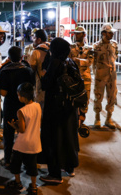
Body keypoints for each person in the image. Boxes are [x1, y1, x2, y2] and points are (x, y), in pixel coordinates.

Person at [39, 37, 79, 184]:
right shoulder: (70, 62)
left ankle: (54, 174)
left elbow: (46, 84)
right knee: (68, 137)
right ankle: (69, 167)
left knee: (53, 139)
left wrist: (43, 75)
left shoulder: (55, 63)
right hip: (69, 108)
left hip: (55, 108)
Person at [0, 46, 35, 169]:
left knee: (8, 133)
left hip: (10, 106)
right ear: (22, 57)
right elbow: (33, 88)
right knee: (26, 132)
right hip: (25, 106)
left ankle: (7, 160)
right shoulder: (28, 70)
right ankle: (27, 162)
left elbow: (3, 93)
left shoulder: (5, 70)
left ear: (9, 58)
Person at [6, 83, 41, 195]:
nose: (18, 97)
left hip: (22, 143)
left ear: (23, 96)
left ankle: (18, 183)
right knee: (32, 166)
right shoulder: (38, 106)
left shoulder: (21, 111)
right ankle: (34, 186)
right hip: (34, 143)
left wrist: (14, 126)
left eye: (18, 95)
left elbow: (22, 130)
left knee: (15, 163)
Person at [93, 23, 119, 129]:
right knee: (98, 97)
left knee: (112, 97)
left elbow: (115, 57)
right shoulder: (96, 46)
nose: (112, 34)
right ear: (103, 33)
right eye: (109, 32)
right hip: (100, 75)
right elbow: (93, 61)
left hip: (112, 75)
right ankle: (97, 118)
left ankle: (108, 118)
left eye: (112, 32)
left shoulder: (114, 45)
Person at [69, 26, 93, 124]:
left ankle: (82, 120)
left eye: (78, 33)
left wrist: (77, 61)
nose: (76, 35)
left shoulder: (89, 48)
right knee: (73, 99)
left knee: (85, 100)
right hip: (74, 78)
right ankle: (74, 120)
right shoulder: (70, 47)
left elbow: (90, 62)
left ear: (84, 35)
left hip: (85, 78)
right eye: (75, 33)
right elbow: (68, 61)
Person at [28, 29, 50, 111]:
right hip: (52, 83)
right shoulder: (52, 48)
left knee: (40, 107)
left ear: (39, 39)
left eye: (34, 38)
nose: (32, 39)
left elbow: (32, 68)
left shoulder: (36, 51)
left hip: (41, 84)